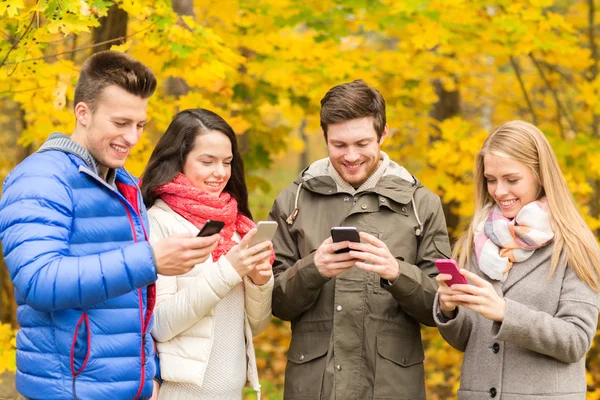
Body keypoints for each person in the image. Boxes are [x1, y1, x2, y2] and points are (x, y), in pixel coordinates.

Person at [0, 51, 221, 400]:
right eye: (121, 123)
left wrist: (151, 375)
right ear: (83, 113)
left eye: (140, 125)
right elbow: (38, 281)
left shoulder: (125, 184)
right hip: (68, 391)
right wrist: (149, 260)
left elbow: (136, 303)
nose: (132, 138)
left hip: (129, 390)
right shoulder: (40, 178)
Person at [269, 79, 452, 399]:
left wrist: (397, 273)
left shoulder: (422, 204)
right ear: (324, 137)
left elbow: (441, 308)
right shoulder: (292, 201)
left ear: (383, 135)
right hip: (314, 387)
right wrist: (314, 268)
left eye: (362, 143)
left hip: (392, 387)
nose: (351, 156)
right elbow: (275, 303)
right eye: (339, 145)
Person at [434, 120, 600, 399]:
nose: (499, 191)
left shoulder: (575, 245)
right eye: (491, 180)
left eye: (512, 180)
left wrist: (504, 312)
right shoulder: (475, 241)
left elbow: (576, 340)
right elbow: (466, 341)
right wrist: (449, 309)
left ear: (540, 176)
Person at [140, 108, 274, 400]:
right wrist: (228, 270)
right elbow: (160, 325)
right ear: (179, 160)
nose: (220, 173)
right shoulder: (157, 222)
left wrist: (259, 282)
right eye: (207, 161)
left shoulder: (236, 225)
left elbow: (256, 327)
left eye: (227, 162)